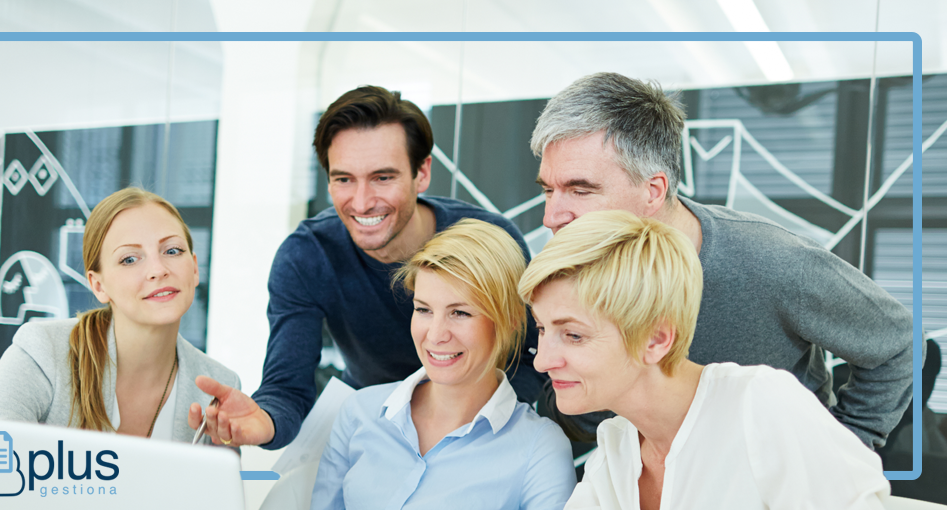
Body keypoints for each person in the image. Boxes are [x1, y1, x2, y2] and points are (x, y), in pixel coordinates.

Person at [529, 72, 914, 449]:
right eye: (548, 190)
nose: (551, 217)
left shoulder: (771, 261)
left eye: (580, 190)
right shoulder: (568, 270)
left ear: (653, 191)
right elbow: (576, 415)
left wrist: (842, 452)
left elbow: (896, 343)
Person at [189, 85, 544, 448]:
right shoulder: (308, 255)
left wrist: (475, 430)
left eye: (382, 177)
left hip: (482, 423)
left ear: (422, 172)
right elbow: (287, 388)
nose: (361, 203)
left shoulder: (490, 241)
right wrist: (263, 421)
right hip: (371, 425)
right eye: (344, 179)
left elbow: (534, 357)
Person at [519, 210, 890, 510]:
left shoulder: (761, 405)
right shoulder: (616, 449)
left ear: (656, 339)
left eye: (574, 335)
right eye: (541, 328)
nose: (542, 362)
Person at [311, 219, 575, 510]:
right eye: (423, 309)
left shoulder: (540, 448)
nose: (436, 335)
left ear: (509, 320)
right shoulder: (358, 412)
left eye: (460, 313)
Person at [0, 187, 239, 442]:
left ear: (194, 268)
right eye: (130, 259)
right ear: (98, 286)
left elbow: (224, 474)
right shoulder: (42, 351)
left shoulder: (221, 387)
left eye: (172, 251)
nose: (158, 270)